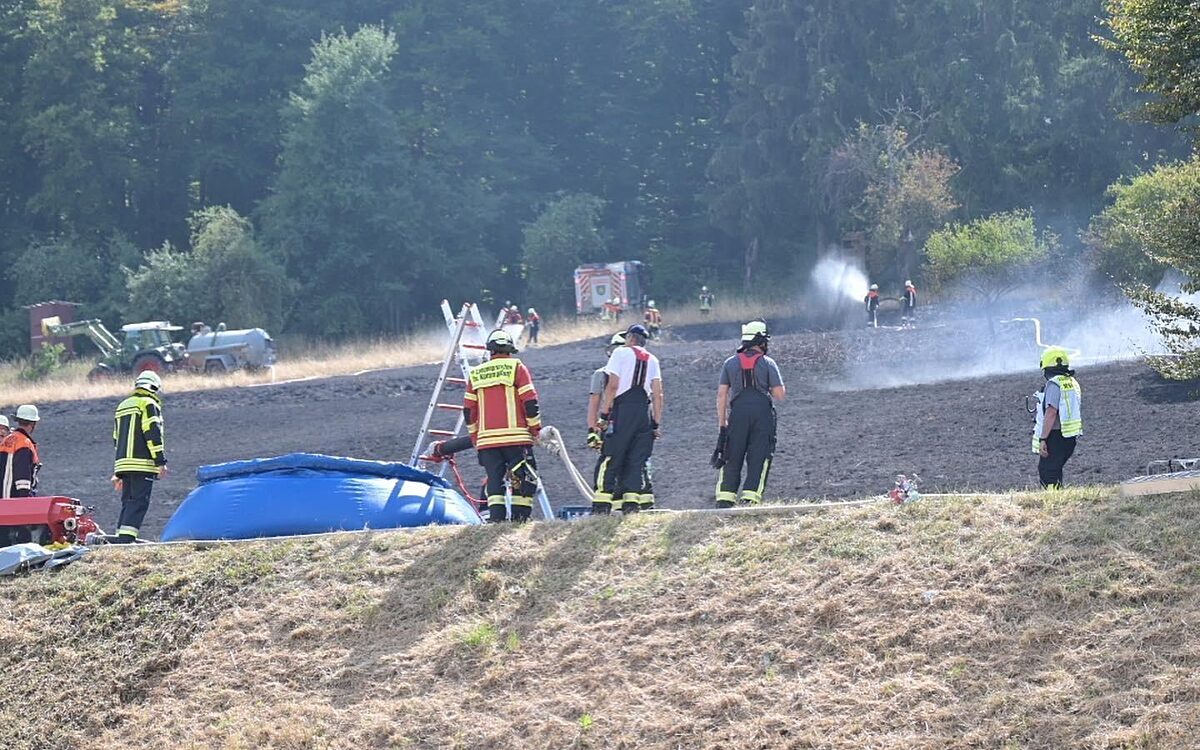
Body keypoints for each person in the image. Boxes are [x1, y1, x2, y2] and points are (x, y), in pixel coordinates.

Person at [464, 329, 542, 523]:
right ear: (510, 350)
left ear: (490, 350)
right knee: (523, 477)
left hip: (487, 441)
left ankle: (496, 521)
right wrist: (535, 429)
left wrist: (475, 437)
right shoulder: (517, 367)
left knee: (494, 480)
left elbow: (468, 411)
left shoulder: (476, 373)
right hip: (516, 438)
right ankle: (519, 520)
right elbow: (530, 402)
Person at [711, 321, 786, 507]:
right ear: (761, 341)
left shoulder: (730, 363)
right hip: (762, 415)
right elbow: (779, 394)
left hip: (737, 415)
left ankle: (725, 499)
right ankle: (750, 498)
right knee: (759, 455)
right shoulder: (768, 363)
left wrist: (723, 424)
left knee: (731, 455)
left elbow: (721, 396)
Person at [592, 324, 663, 514]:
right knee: (636, 461)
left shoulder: (620, 354)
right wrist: (655, 423)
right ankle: (631, 506)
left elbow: (613, 386)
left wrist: (604, 415)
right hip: (643, 413)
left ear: (630, 338)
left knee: (611, 457)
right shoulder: (653, 359)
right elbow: (658, 394)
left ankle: (601, 506)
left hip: (622, 411)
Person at [112, 371, 167, 543]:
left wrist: (119, 471)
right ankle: (127, 541)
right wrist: (160, 462)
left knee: (128, 502)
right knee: (138, 502)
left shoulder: (123, 405)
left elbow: (116, 438)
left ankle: (120, 537)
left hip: (123, 464)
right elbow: (152, 433)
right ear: (154, 387)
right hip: (142, 464)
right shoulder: (149, 404)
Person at [1033, 347, 1082, 489]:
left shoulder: (1054, 384)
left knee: (1048, 471)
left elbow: (1051, 412)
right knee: (1055, 469)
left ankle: (1053, 499)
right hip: (1069, 436)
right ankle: (1057, 495)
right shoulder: (1072, 382)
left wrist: (1043, 439)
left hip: (1055, 435)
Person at [0, 405, 41, 499]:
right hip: (13, 500)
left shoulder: (6, 441)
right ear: (33, 424)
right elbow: (22, 478)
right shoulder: (24, 443)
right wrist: (24, 499)